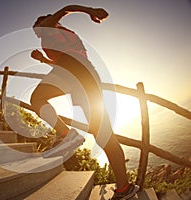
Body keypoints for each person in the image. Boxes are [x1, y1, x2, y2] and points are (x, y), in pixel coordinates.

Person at [30, 5, 139, 200]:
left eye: (35, 27)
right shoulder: (62, 35)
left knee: (36, 98)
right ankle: (125, 187)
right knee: (102, 133)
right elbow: (63, 59)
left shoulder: (48, 25)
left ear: (42, 22)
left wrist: (90, 10)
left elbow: (65, 9)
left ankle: (66, 134)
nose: (36, 32)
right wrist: (43, 60)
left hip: (73, 70)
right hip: (85, 73)